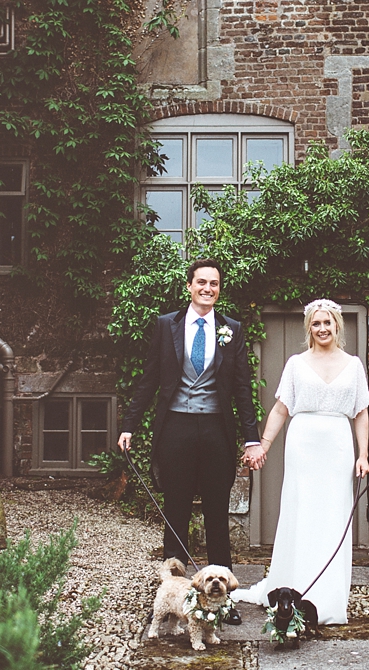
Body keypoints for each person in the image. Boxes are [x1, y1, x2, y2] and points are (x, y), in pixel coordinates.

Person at [119, 258, 264, 626]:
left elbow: (242, 388)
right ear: (189, 286)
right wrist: (129, 425)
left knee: (217, 511)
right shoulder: (166, 326)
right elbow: (150, 378)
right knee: (177, 508)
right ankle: (175, 596)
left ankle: (224, 601)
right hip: (177, 428)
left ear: (219, 289)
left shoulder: (231, 329)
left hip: (216, 428)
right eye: (201, 282)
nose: (208, 289)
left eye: (214, 284)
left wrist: (251, 438)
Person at [231, 298, 369, 625]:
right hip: (303, 443)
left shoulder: (353, 365)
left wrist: (362, 455)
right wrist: (262, 445)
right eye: (316, 324)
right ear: (309, 328)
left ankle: (328, 596)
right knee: (301, 512)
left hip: (337, 445)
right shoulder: (296, 363)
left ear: (338, 325)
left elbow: (361, 412)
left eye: (328, 323)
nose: (322, 329)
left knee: (333, 515)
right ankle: (289, 588)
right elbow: (281, 409)